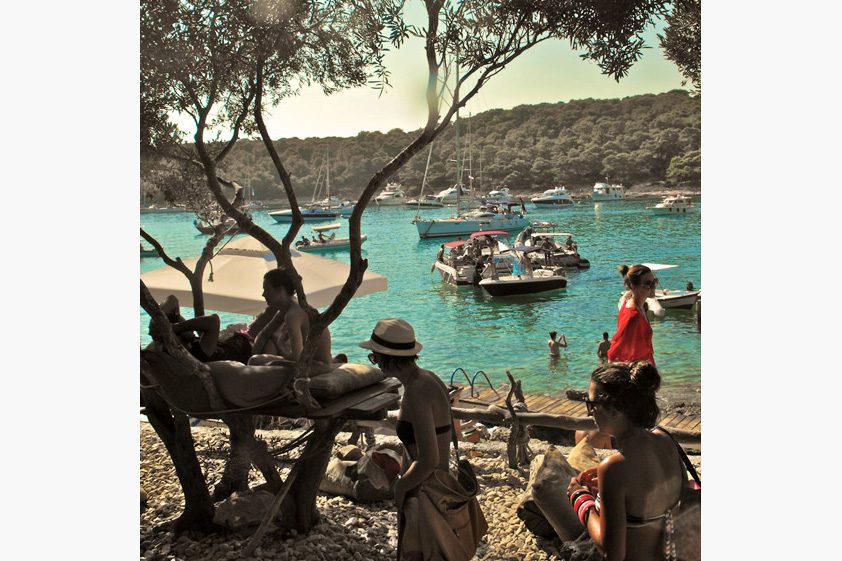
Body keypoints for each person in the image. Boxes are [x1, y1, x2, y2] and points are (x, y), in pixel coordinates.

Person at [359, 318, 480, 559]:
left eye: (374, 357)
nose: (375, 363)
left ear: (388, 357)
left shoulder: (416, 391)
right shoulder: (428, 378)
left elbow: (428, 459)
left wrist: (401, 487)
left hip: (425, 488)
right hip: (440, 481)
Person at [566, 362, 685, 561]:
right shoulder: (666, 438)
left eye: (592, 404)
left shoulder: (614, 469)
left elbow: (612, 553)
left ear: (614, 410)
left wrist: (579, 499)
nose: (589, 412)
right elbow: (672, 487)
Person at [248, 268, 333, 372]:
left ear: (279, 290)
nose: (263, 294)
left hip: (319, 366)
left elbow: (298, 360)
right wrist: (255, 353)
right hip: (308, 362)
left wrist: (280, 347)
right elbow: (264, 334)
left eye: (267, 290)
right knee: (267, 346)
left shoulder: (292, 315)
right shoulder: (286, 309)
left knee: (256, 361)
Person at [155, 295, 252, 363]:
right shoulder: (200, 351)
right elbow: (214, 319)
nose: (191, 329)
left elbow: (172, 299)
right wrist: (175, 328)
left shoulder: (192, 343)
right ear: (180, 338)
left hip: (237, 338)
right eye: (187, 330)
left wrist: (161, 323)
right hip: (249, 346)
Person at [608, 264, 658, 365]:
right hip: (638, 373)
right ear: (633, 286)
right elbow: (614, 352)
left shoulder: (639, 306)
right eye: (648, 284)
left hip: (646, 366)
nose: (653, 287)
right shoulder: (632, 316)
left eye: (654, 282)